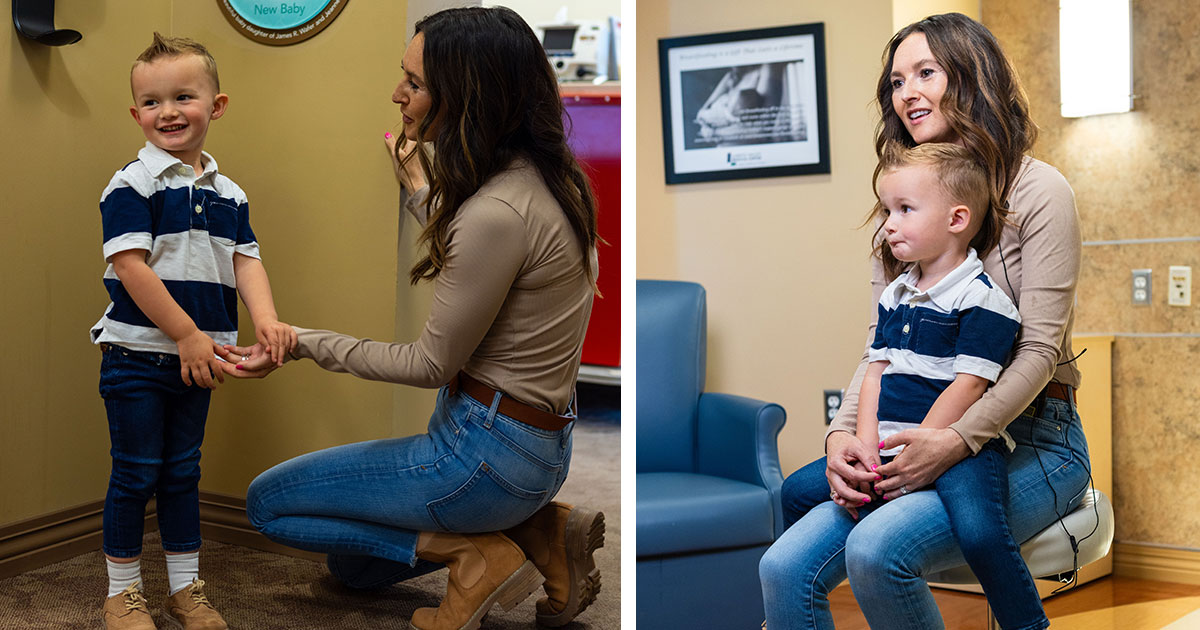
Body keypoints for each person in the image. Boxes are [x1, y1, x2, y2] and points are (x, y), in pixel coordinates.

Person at [217, 7, 605, 630]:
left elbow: (429, 364)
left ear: (471, 96)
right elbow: (490, 268)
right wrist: (424, 193)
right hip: (539, 452)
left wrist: (297, 342)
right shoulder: (554, 183)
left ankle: (475, 552)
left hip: (481, 456)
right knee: (355, 570)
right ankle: (538, 530)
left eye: (415, 84)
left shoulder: (495, 211)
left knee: (268, 505)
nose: (397, 94)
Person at [759, 13, 1091, 630]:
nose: (905, 91)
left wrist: (955, 441)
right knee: (782, 570)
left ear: (972, 78)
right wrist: (841, 439)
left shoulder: (1040, 191)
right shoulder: (904, 209)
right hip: (907, 437)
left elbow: (1040, 351)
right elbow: (878, 349)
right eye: (895, 81)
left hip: (1032, 442)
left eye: (925, 73)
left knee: (878, 550)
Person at [780, 141, 1047, 630]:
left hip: (954, 448)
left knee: (982, 531)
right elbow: (875, 371)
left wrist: (920, 453)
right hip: (887, 445)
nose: (888, 224)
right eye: (887, 209)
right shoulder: (898, 293)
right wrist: (863, 444)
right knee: (795, 491)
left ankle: (1029, 624)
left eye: (904, 209)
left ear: (956, 219)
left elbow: (968, 387)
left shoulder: (984, 301)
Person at [91, 32, 295, 630]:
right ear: (136, 114)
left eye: (184, 96)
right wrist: (184, 333)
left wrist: (267, 321)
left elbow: (245, 260)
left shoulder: (229, 194)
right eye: (152, 102)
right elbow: (129, 266)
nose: (168, 112)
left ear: (217, 105)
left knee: (183, 471)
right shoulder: (132, 184)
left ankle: (186, 589)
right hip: (138, 357)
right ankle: (121, 593)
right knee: (134, 473)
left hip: (200, 359)